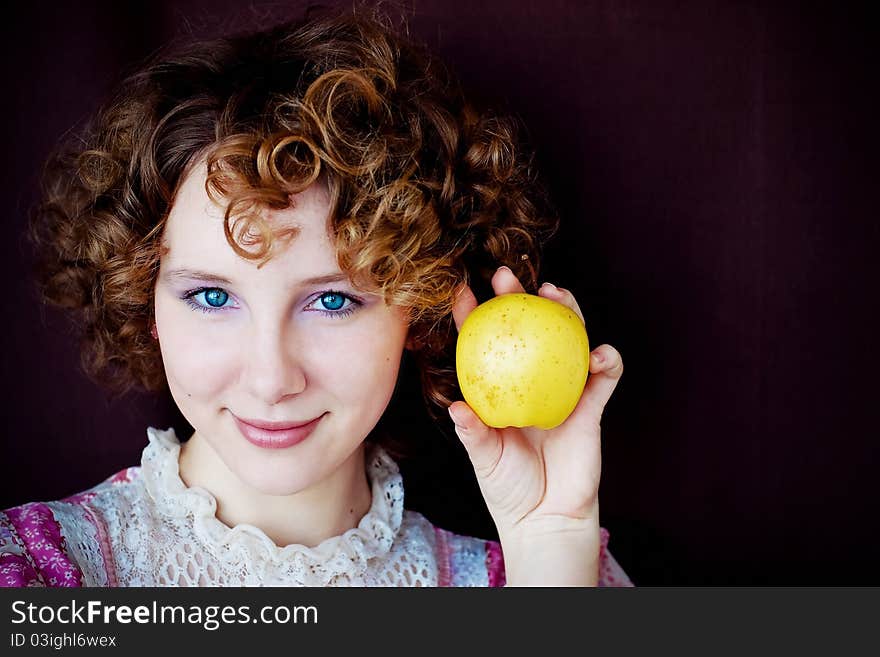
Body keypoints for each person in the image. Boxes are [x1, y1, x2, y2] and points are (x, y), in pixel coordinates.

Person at [0, 7, 632, 587]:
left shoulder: (535, 579)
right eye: (212, 297)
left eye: (331, 302)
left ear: (419, 304)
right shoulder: (39, 572)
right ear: (148, 301)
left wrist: (551, 540)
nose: (272, 379)